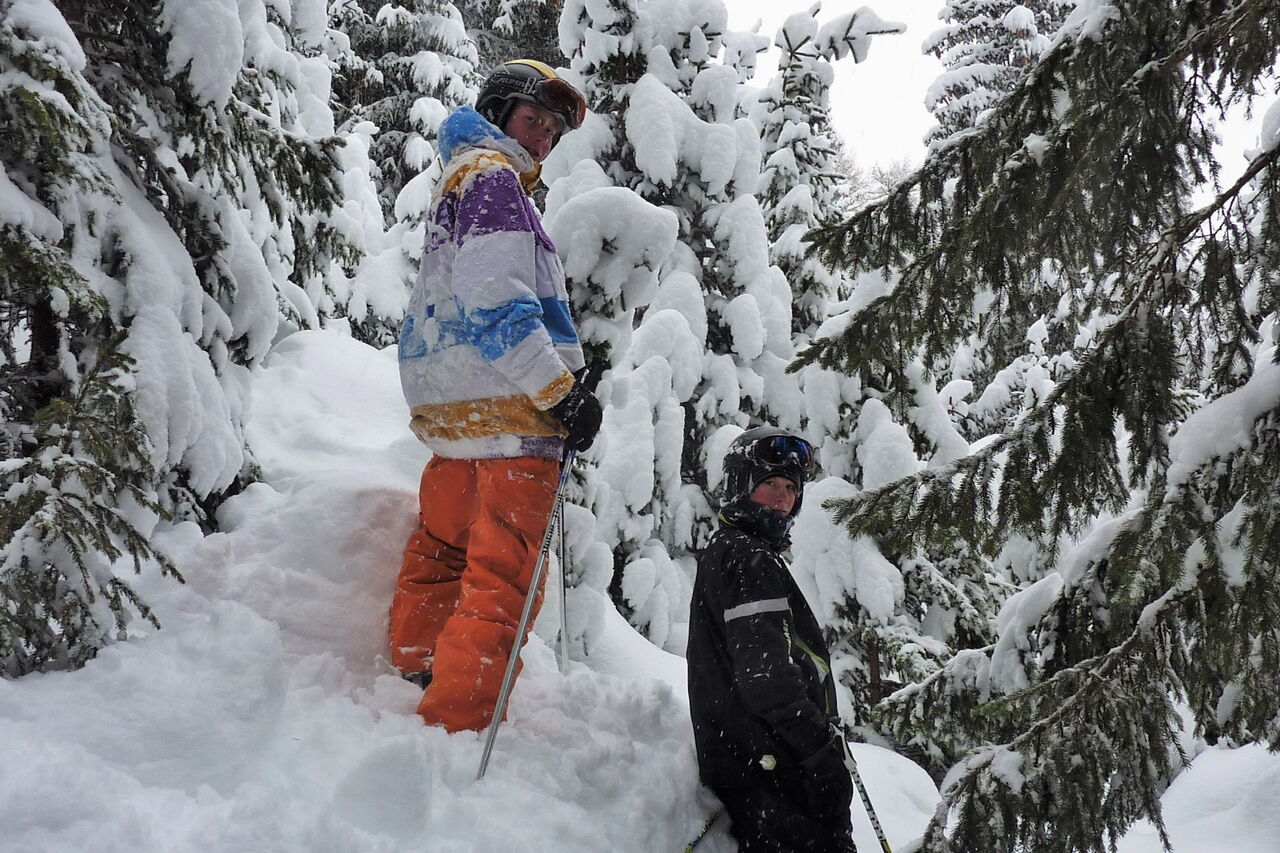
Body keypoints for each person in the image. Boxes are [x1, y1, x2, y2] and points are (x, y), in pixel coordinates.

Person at [391, 60, 602, 733]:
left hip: (456, 415)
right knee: (502, 578)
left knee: (444, 547)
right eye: (533, 120)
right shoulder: (496, 179)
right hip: (513, 412)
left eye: (552, 132)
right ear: (497, 112)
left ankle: (416, 666)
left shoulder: (461, 177)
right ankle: (459, 722)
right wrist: (560, 391)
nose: (541, 138)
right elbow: (496, 301)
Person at [687, 426, 857, 852]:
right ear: (740, 486)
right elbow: (767, 678)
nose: (783, 498)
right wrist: (820, 751)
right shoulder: (750, 558)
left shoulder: (730, 549)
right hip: (775, 767)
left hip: (756, 762)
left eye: (791, 488)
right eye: (770, 484)